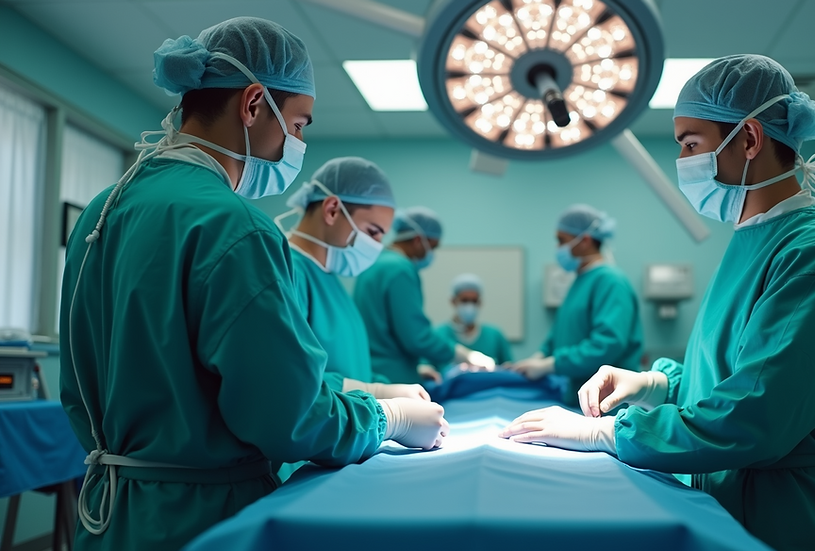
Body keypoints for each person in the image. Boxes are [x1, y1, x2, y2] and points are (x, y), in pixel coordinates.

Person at [59, 18, 447, 551]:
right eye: (299, 125)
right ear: (253, 104)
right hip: (203, 522)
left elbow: (82, 384)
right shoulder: (234, 226)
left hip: (108, 515)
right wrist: (388, 417)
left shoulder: (102, 211)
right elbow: (289, 418)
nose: (299, 143)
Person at [500, 54, 815, 551]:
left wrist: (610, 434)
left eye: (690, 144)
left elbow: (760, 413)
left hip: (795, 519)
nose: (683, 161)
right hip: (732, 499)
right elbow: (730, 378)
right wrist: (656, 384)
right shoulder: (753, 243)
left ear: (749, 139)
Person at [274, 157, 437, 481]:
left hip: (348, 444)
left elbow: (347, 362)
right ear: (332, 210)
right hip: (306, 459)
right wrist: (378, 393)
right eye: (372, 232)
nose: (377, 247)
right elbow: (288, 383)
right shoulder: (287, 272)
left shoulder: (329, 278)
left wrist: (386, 387)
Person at [505, 204, 643, 405]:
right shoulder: (580, 281)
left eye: (561, 240)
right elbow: (561, 333)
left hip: (608, 403)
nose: (558, 248)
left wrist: (550, 365)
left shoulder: (611, 282)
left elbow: (606, 345)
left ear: (585, 240)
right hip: (578, 398)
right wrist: (540, 356)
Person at [353, 207, 495, 384]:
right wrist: (465, 355)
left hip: (369, 371)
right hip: (392, 377)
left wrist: (416, 368)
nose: (431, 254)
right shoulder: (400, 270)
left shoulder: (375, 263)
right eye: (432, 247)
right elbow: (417, 337)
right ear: (418, 240)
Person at [432, 273, 513, 369]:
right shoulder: (438, 334)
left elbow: (508, 367)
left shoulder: (495, 335)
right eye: (464, 300)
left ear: (480, 302)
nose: (469, 306)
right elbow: (426, 366)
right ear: (453, 301)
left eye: (474, 301)